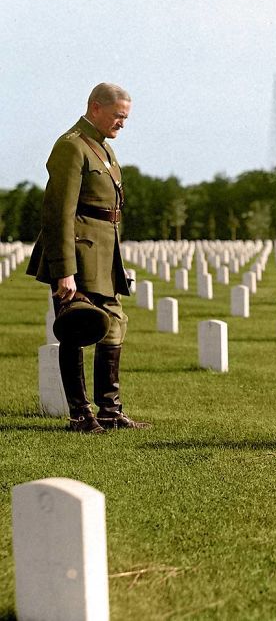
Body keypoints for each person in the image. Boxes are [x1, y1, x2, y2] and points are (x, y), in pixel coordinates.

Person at [27, 83, 150, 433]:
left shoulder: (103, 149)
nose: (122, 123)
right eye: (118, 116)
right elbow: (58, 212)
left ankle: (110, 410)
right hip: (78, 254)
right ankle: (81, 415)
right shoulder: (71, 147)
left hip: (104, 251)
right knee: (76, 326)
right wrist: (63, 270)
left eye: (126, 117)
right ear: (96, 108)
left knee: (114, 322)